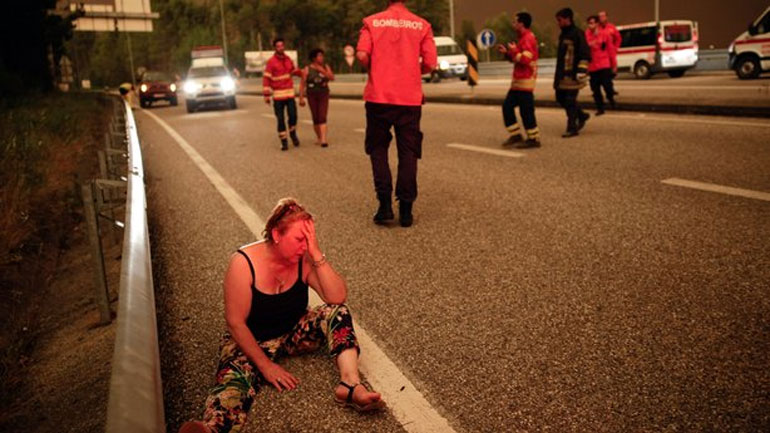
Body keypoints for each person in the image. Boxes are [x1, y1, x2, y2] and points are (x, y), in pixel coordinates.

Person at [179, 198, 384, 433]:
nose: (304, 246)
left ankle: (350, 385)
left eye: (309, 239)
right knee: (234, 387)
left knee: (337, 313)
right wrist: (266, 366)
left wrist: (316, 253)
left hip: (291, 332)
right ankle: (211, 428)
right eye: (300, 239)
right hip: (252, 340)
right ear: (276, 234)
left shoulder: (304, 258)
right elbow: (235, 323)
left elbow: (336, 297)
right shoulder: (243, 263)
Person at [356, 0, 437, 228]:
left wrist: (375, 68)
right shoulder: (421, 25)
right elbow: (431, 62)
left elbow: (361, 55)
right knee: (408, 151)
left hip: (378, 97)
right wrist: (413, 71)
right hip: (409, 99)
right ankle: (406, 210)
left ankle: (384, 205)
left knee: (378, 148)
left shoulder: (371, 22)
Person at [496, 11, 540, 149]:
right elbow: (517, 59)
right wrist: (507, 53)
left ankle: (534, 138)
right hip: (517, 82)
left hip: (526, 81)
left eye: (515, 21)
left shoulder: (528, 38)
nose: (513, 24)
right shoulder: (522, 38)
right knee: (507, 107)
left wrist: (514, 50)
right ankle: (516, 135)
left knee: (526, 111)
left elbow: (526, 59)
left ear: (521, 23)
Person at [554, 7, 591, 138]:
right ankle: (581, 115)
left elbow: (585, 53)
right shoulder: (563, 35)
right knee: (560, 98)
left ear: (567, 19)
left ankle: (572, 128)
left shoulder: (577, 33)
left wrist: (581, 70)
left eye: (560, 20)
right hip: (562, 75)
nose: (558, 23)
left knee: (570, 100)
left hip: (573, 75)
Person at [263, 38, 302, 151]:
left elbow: (294, 71)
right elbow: (266, 79)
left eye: (282, 46)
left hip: (289, 94)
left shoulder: (288, 59)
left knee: (293, 116)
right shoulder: (271, 62)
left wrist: (302, 73)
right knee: (280, 119)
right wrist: (266, 95)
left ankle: (293, 133)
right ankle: (284, 141)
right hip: (278, 96)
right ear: (275, 48)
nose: (280, 48)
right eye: (278, 46)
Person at [299, 48, 335, 148]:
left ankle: (323, 139)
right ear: (314, 58)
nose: (322, 58)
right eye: (319, 56)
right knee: (315, 117)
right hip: (311, 94)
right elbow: (302, 84)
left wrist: (323, 71)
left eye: (322, 56)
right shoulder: (307, 69)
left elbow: (332, 77)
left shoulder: (325, 67)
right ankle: (319, 137)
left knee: (322, 115)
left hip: (323, 93)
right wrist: (301, 97)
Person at [585, 15, 615, 115]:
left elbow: (610, 49)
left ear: (597, 24)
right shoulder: (586, 35)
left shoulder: (604, 34)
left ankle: (611, 99)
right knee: (595, 89)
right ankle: (600, 108)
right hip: (593, 66)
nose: (590, 26)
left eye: (592, 23)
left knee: (607, 86)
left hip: (604, 64)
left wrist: (613, 64)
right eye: (589, 23)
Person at [598, 11, 621, 77]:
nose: (601, 18)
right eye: (600, 16)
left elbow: (618, 39)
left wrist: (615, 48)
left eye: (603, 16)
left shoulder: (611, 27)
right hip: (600, 54)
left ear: (606, 17)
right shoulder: (596, 28)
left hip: (610, 53)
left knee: (611, 74)